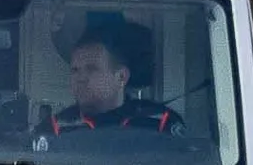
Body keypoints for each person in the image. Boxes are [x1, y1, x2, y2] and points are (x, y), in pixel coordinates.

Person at [51, 16, 183, 135]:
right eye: (75, 70)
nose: (80, 78)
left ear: (121, 77)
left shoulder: (161, 121)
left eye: (91, 69)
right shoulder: (55, 128)